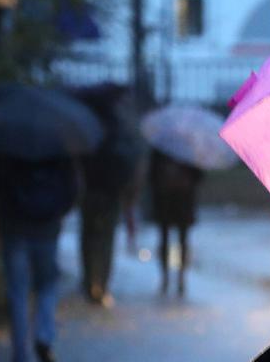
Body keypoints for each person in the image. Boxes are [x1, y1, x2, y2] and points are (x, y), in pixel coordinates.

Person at [0, 155, 79, 362]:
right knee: (47, 286)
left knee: (18, 292)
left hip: (14, 229)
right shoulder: (57, 149)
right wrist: (56, 213)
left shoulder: (10, 149)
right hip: (46, 230)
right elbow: (72, 190)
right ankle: (44, 336)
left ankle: (19, 356)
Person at [73, 85, 140, 306]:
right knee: (106, 238)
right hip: (111, 191)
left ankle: (88, 280)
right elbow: (128, 159)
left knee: (88, 236)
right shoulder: (118, 129)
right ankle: (102, 284)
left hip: (91, 190)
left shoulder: (87, 127)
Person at [148, 150, 204, 296]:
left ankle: (179, 277)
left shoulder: (188, 149)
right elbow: (152, 174)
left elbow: (199, 175)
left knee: (180, 240)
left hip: (181, 199)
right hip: (167, 198)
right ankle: (167, 277)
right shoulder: (162, 149)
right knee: (168, 239)